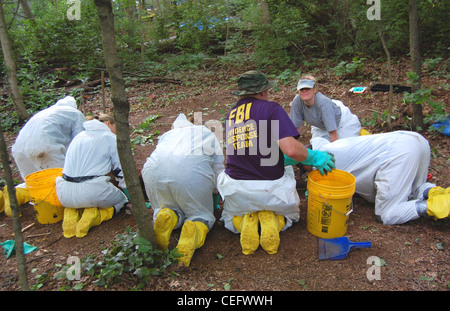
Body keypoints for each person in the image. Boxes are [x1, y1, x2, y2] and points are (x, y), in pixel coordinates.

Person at [217, 70, 335, 255]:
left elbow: (251, 151)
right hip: (271, 191)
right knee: (289, 213)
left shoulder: (230, 114)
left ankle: (244, 222)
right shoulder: (271, 108)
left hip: (237, 190)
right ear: (263, 92)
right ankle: (274, 221)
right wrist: (315, 157)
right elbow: (291, 149)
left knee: (234, 215)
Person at [309, 131, 449, 225]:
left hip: (399, 153)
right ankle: (437, 193)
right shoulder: (331, 145)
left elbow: (326, 191)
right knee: (413, 189)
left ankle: (437, 205)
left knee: (386, 215)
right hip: (416, 140)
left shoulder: (323, 161)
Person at [141, 113, 224, 267]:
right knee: (199, 214)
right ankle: (192, 229)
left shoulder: (167, 136)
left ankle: (168, 215)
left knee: (167, 206)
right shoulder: (207, 134)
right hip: (189, 174)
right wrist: (215, 194)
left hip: (152, 174)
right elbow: (218, 171)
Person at [3, 96, 85, 217]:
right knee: (62, 181)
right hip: (45, 146)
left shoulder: (43, 113)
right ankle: (67, 211)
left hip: (19, 149)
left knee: (35, 183)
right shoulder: (75, 114)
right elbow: (80, 141)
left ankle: (15, 194)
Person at [55, 114, 128, 238]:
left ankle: (71, 213)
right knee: (122, 200)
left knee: (79, 198)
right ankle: (97, 215)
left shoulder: (78, 136)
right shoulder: (109, 137)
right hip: (92, 192)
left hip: (64, 194)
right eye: (116, 127)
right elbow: (120, 169)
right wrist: (127, 192)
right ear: (108, 124)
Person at [290, 75, 362, 142]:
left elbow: (333, 134)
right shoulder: (297, 101)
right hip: (320, 125)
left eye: (307, 88)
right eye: (301, 89)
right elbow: (296, 129)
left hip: (342, 123)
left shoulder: (323, 104)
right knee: (318, 148)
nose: (304, 91)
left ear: (314, 90)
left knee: (344, 148)